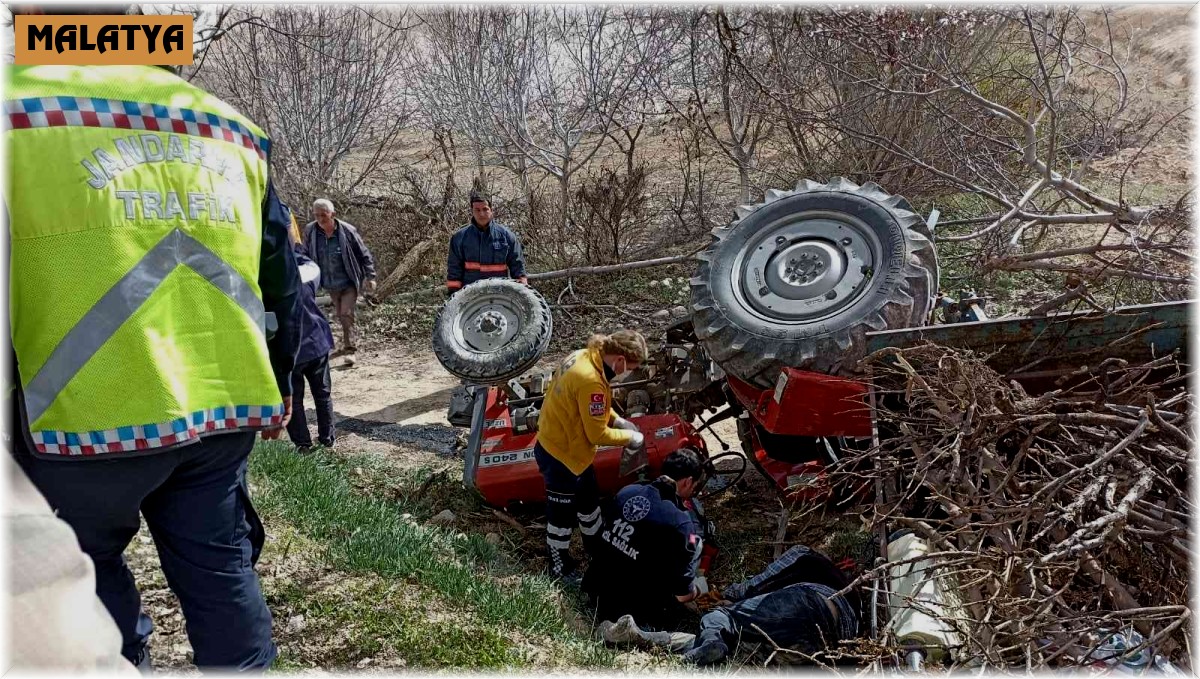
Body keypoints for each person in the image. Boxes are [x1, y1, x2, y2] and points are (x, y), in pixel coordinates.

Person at [6, 46, 299, 671]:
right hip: (219, 410)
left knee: (83, 571)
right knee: (220, 568)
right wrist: (281, 380)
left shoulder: (16, 110)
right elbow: (280, 279)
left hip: (76, 422)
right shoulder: (233, 130)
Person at [600, 545, 861, 666]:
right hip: (819, 646)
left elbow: (759, 583)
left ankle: (701, 647)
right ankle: (639, 635)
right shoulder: (854, 600)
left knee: (719, 618)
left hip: (807, 604)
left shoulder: (807, 558)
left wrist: (727, 596)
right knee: (732, 645)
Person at [534, 330, 649, 581]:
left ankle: (596, 546)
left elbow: (590, 407)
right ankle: (559, 566)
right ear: (620, 360)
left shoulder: (583, 356)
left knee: (589, 502)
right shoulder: (591, 380)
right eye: (631, 367)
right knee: (561, 517)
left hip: (573, 451)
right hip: (560, 456)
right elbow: (597, 434)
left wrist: (617, 420)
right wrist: (630, 438)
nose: (629, 372)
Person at [583, 449, 708, 633]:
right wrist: (698, 588)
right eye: (695, 486)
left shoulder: (627, 491)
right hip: (632, 612)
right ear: (688, 481)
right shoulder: (681, 522)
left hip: (596, 589)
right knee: (695, 543)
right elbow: (682, 596)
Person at [302, 198, 376, 356]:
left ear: (333, 214)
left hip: (349, 280)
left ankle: (350, 349)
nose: (320, 219)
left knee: (345, 313)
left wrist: (370, 276)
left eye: (324, 215)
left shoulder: (347, 231)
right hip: (330, 283)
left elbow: (364, 253)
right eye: (316, 215)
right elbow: (305, 254)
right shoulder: (311, 231)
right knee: (341, 315)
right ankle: (347, 340)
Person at [287, 230, 337, 452]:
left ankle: (303, 445)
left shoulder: (268, 278)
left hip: (290, 349)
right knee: (322, 394)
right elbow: (307, 263)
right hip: (316, 342)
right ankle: (328, 439)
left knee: (293, 400)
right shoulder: (308, 272)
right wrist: (296, 247)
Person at [445, 191, 528, 294]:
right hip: (470, 296)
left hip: (500, 294)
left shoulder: (506, 236)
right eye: (477, 210)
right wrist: (454, 296)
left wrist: (522, 293)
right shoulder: (459, 238)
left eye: (485, 209)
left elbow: (518, 267)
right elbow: (454, 270)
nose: (482, 214)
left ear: (491, 210)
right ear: (472, 211)